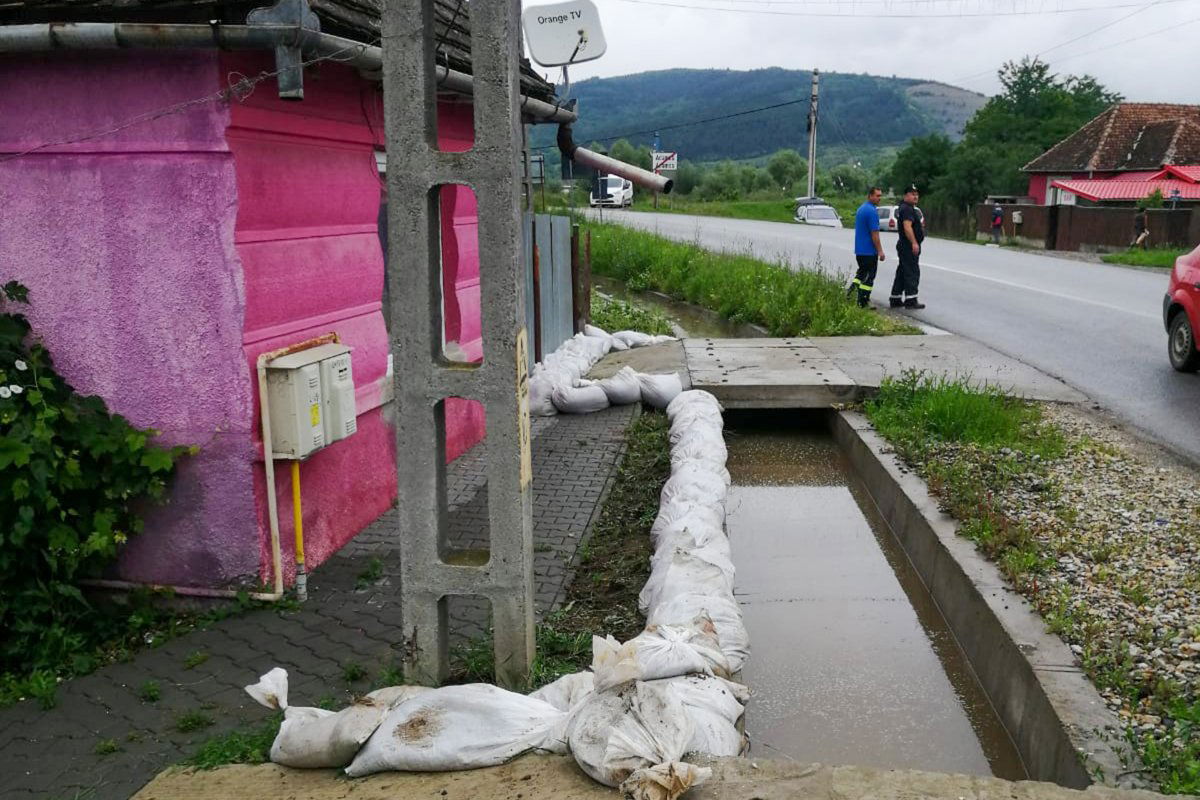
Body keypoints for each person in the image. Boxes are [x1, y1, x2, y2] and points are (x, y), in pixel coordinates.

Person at [848, 186, 886, 308]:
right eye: (877, 195)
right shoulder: (872, 211)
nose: (879, 198)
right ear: (870, 196)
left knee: (861, 274)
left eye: (880, 195)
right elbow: (874, 234)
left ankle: (850, 294)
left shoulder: (861, 209)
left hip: (860, 250)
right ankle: (863, 302)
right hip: (869, 251)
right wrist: (880, 251)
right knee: (869, 277)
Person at [889, 185, 925, 309]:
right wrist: (914, 242)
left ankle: (895, 298)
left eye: (917, 194)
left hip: (904, 245)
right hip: (908, 245)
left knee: (903, 271)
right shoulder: (908, 209)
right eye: (912, 194)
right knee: (912, 271)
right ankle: (911, 299)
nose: (915, 196)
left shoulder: (905, 208)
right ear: (906, 196)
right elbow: (907, 227)